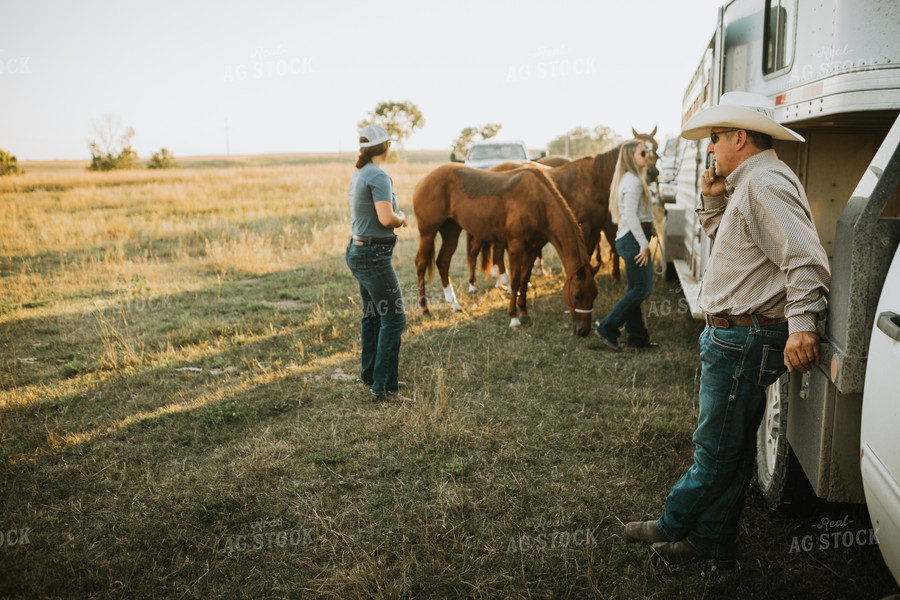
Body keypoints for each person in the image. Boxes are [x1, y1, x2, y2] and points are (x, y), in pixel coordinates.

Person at [623, 91, 830, 566]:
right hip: (738, 333)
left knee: (713, 452)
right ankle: (710, 544)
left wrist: (802, 326)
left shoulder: (763, 183)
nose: (710, 147)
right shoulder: (753, 181)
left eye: (715, 138)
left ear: (740, 137)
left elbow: (806, 259)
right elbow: (740, 249)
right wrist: (713, 202)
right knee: (731, 452)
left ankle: (671, 524)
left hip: (743, 337)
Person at [346, 124, 411, 403]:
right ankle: (384, 389)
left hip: (358, 250)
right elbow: (386, 218)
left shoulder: (360, 172)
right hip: (373, 256)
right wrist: (402, 218)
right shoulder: (379, 176)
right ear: (386, 147)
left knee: (373, 314)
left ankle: (373, 374)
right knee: (394, 319)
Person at [595, 139, 658, 350]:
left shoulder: (631, 178)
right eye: (642, 153)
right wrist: (643, 244)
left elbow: (636, 212)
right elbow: (630, 215)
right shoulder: (633, 182)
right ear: (631, 157)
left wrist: (650, 225)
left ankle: (638, 339)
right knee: (641, 289)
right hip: (633, 240)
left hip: (631, 237)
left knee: (635, 289)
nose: (647, 155)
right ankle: (607, 327)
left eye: (647, 152)